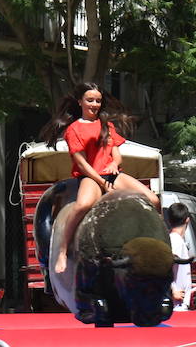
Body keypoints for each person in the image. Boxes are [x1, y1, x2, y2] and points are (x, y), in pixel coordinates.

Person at [40, 82, 159, 274]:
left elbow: (116, 154)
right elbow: (82, 164)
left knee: (153, 200)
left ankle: (156, 244)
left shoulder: (107, 125)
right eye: (90, 100)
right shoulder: (73, 129)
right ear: (80, 102)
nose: (95, 104)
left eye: (98, 101)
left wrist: (114, 164)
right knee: (83, 205)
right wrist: (101, 181)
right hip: (91, 176)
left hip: (112, 174)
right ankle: (62, 250)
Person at [165, 202, 194, 312]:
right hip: (176, 306)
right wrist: (173, 291)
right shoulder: (175, 241)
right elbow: (165, 267)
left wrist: (189, 286)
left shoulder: (175, 240)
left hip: (180, 304)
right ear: (187, 220)